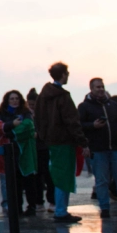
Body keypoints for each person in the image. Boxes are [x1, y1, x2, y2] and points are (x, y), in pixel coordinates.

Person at [35, 63, 91, 224]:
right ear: (63, 74)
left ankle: (60, 209)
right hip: (65, 141)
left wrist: (44, 136)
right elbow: (72, 121)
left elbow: (38, 119)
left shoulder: (43, 96)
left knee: (58, 175)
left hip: (51, 142)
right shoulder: (63, 96)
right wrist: (83, 142)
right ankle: (61, 210)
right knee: (65, 176)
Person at [77, 78, 117, 217]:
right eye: (97, 87)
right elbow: (79, 126)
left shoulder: (113, 105)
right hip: (98, 149)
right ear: (91, 89)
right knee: (102, 180)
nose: (100, 89)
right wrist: (92, 126)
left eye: (102, 87)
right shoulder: (84, 107)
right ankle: (104, 208)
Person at [0, 90, 39, 214]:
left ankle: (32, 207)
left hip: (25, 152)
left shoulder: (26, 114)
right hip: (9, 152)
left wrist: (10, 131)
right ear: (7, 101)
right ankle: (17, 207)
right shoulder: (2, 114)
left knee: (29, 181)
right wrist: (11, 125)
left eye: (17, 98)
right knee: (14, 183)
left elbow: (28, 128)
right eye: (12, 98)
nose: (14, 101)